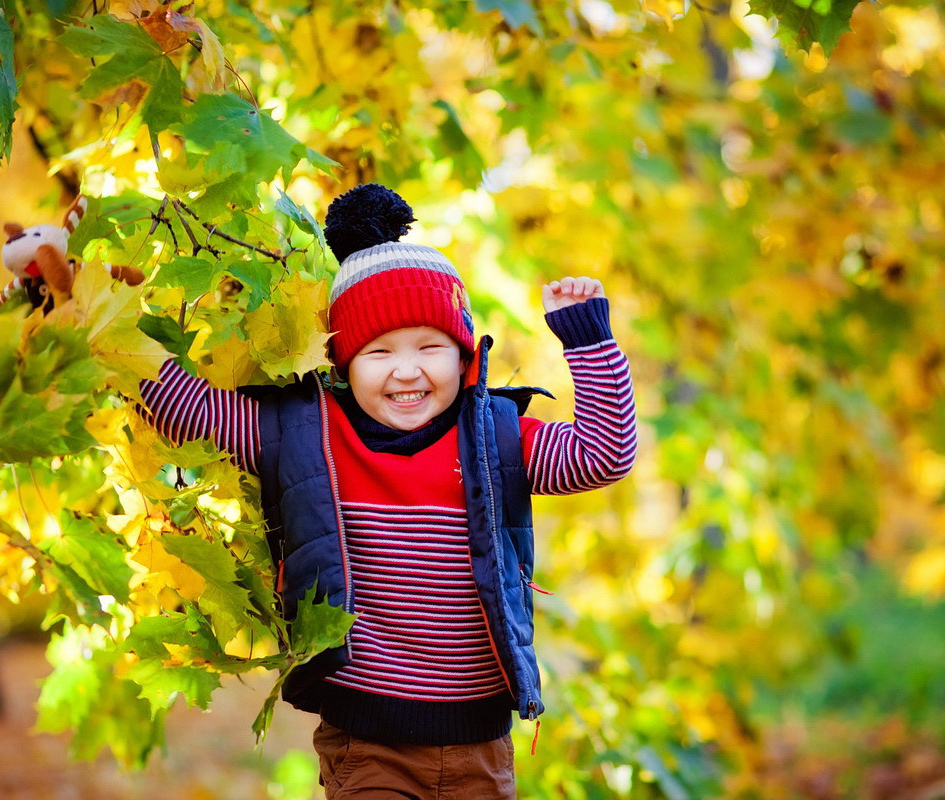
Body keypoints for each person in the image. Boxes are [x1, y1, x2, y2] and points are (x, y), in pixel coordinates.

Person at [138, 184, 637, 799]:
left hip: (481, 743)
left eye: (431, 347)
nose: (407, 370)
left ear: (464, 360)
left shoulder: (496, 441)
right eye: (379, 352)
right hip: (368, 742)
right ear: (344, 366)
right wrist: (93, 308)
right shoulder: (309, 437)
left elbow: (604, 454)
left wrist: (587, 339)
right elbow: (191, 411)